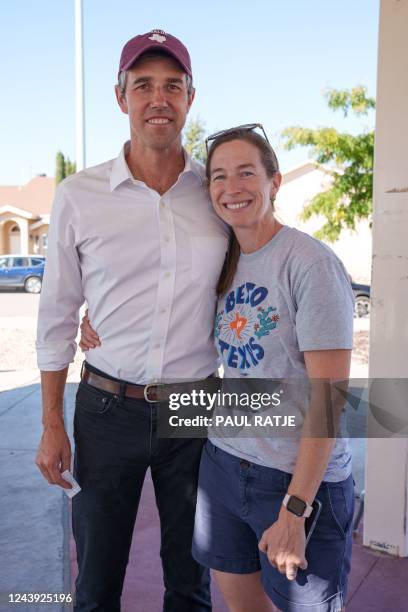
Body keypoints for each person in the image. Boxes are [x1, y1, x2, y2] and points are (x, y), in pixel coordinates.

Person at [81, 125, 355, 612]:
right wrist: (100, 320)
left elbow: (330, 398)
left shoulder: (309, 263)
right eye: (219, 177)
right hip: (225, 466)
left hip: (295, 482)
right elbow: (163, 303)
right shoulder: (223, 259)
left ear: (275, 181)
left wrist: (296, 508)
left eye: (247, 172)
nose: (232, 187)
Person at [35, 29, 229, 612]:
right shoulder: (79, 195)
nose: (158, 99)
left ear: (191, 97)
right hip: (106, 409)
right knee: (95, 582)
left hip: (195, 410)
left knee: (191, 582)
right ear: (121, 98)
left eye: (172, 85)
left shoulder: (218, 194)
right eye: (143, 85)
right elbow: (57, 315)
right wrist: (51, 423)